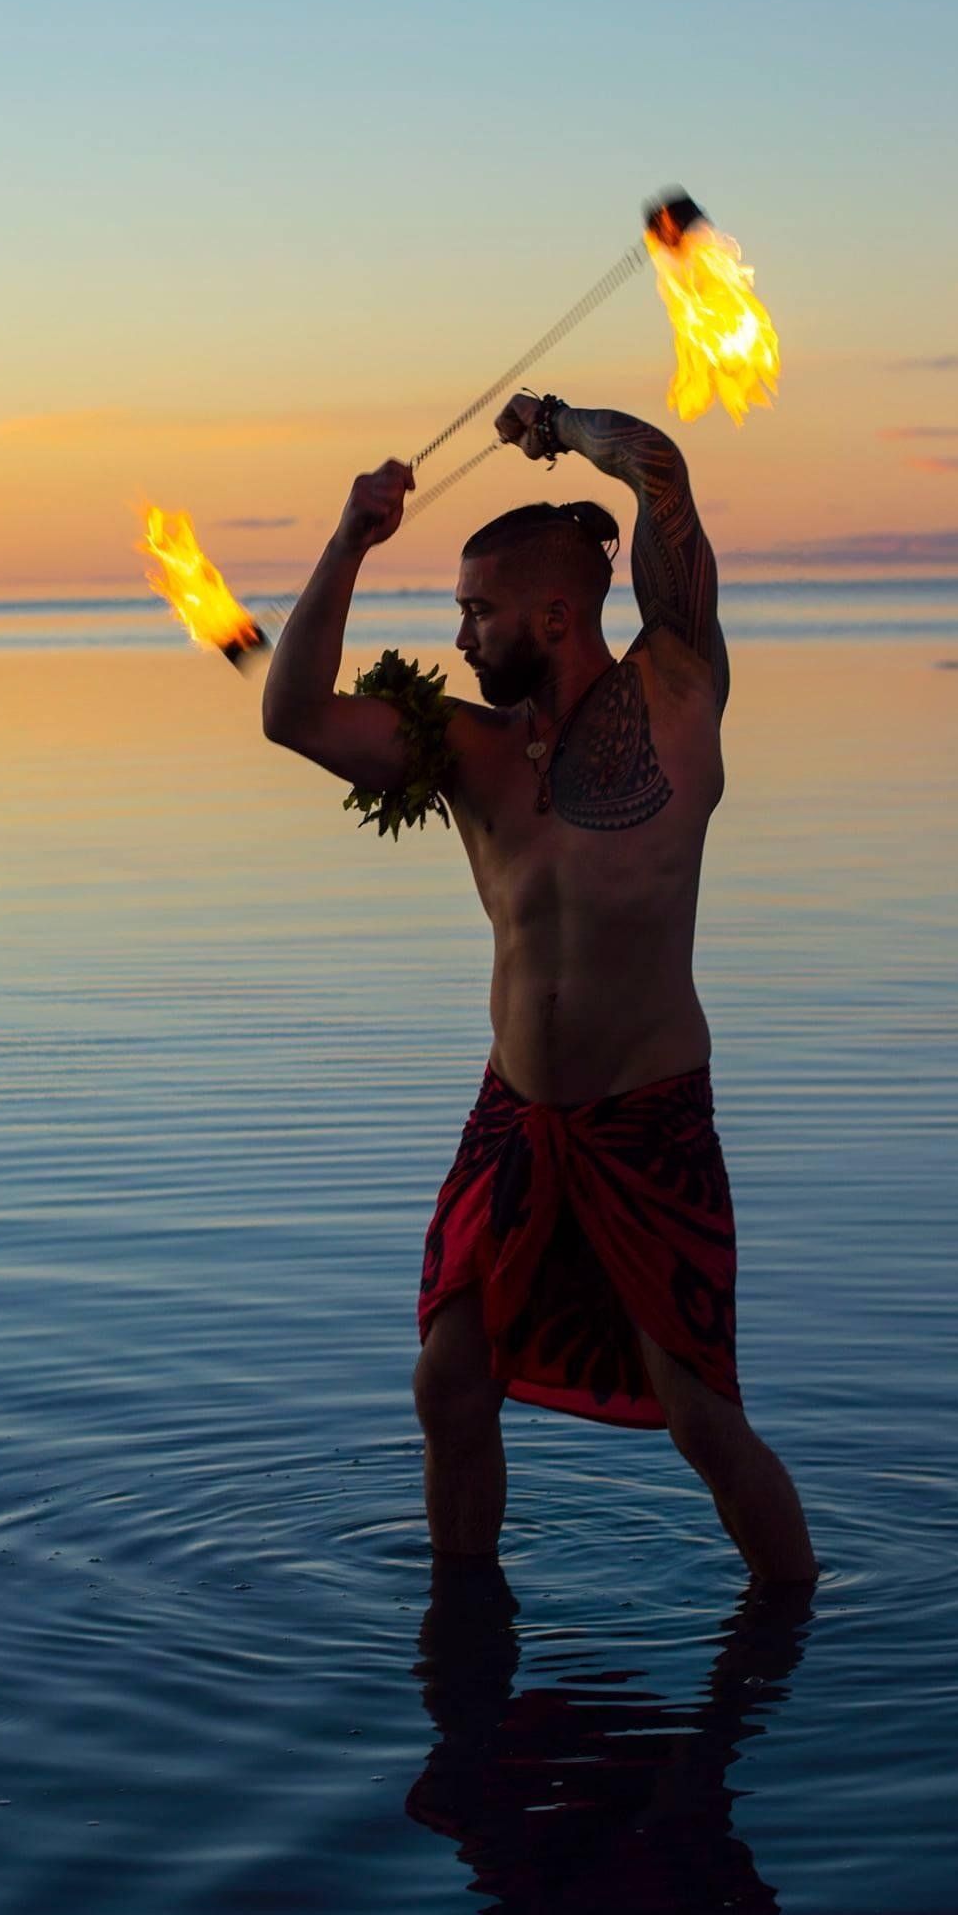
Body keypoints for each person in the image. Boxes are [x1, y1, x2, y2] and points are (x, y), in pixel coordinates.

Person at [262, 392, 817, 1586]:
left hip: (647, 1115)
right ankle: (463, 1617)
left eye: (476, 609)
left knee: (700, 1414)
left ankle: (795, 1617)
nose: (460, 633)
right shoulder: (466, 749)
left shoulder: (681, 694)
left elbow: (661, 474)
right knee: (447, 1382)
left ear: (553, 613)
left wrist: (563, 423)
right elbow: (293, 714)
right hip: (516, 1114)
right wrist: (350, 538)